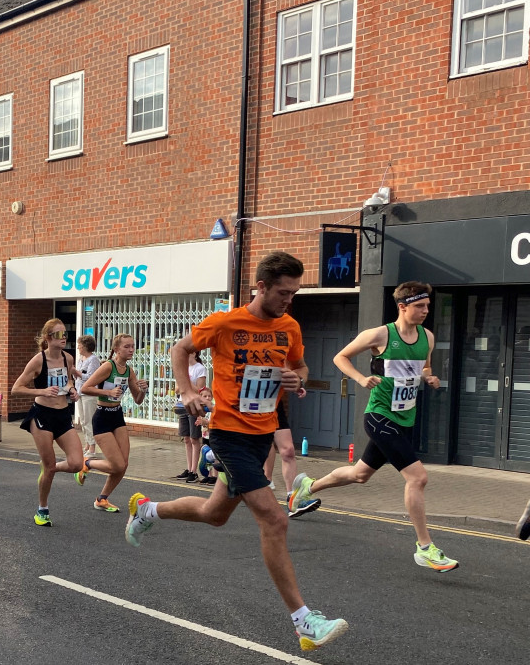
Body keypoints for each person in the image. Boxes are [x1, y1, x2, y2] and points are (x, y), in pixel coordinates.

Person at [124, 252, 347, 652]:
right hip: (227, 433)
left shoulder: (289, 326)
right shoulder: (226, 322)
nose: (288, 300)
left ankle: (147, 510)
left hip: (262, 433)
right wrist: (188, 391)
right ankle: (304, 621)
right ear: (260, 287)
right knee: (275, 519)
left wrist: (297, 379)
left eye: (294, 292)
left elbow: (302, 368)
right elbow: (180, 349)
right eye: (283, 292)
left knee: (215, 515)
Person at [288, 281, 458, 572]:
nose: (426, 311)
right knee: (417, 478)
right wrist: (360, 379)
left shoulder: (427, 337)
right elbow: (339, 357)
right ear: (403, 306)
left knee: (359, 474)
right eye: (420, 306)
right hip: (379, 415)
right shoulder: (380, 334)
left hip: (405, 417)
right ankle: (425, 548)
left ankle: (306, 487)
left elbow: (424, 367)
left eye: (427, 306)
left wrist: (428, 377)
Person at [11, 318, 84, 527]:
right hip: (42, 414)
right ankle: (42, 509)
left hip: (62, 415)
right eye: (60, 335)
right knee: (48, 466)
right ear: (48, 338)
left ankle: (51, 468)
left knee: (77, 463)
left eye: (65, 334)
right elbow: (16, 388)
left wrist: (72, 390)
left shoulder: (68, 358)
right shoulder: (38, 361)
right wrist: (41, 390)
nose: (64, 338)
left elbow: (68, 379)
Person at [79, 333, 149, 513]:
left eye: (133, 346)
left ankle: (102, 499)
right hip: (102, 416)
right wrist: (108, 393)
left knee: (123, 465)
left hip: (117, 416)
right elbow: (85, 388)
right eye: (127, 346)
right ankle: (87, 463)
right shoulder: (108, 367)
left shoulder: (129, 370)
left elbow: (138, 399)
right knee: (116, 464)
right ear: (116, 349)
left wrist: (143, 390)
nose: (131, 349)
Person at [263, 398, 303, 509]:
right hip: (247, 405)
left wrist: (300, 382)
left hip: (272, 403)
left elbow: (300, 379)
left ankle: (293, 499)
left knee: (288, 451)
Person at [175, 354, 207, 482]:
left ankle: (194, 471)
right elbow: (177, 389)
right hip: (182, 404)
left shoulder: (199, 368)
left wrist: (186, 382)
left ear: (193, 353)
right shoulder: (182, 367)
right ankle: (188, 469)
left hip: (194, 405)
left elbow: (200, 389)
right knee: (186, 438)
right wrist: (183, 383)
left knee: (194, 438)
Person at [75, 335, 101, 459]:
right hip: (80, 392)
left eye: (80, 345)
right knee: (83, 420)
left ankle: (92, 447)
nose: (78, 347)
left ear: (85, 346)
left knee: (90, 420)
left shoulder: (93, 360)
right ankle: (87, 443)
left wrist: (77, 373)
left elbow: (91, 377)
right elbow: (79, 376)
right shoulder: (81, 359)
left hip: (89, 394)